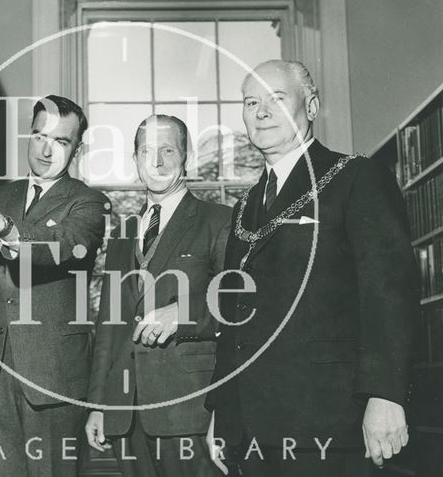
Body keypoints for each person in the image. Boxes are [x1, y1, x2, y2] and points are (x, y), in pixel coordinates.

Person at [205, 60, 419, 477]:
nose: (261, 112)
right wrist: (222, 407)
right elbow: (233, 316)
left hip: (327, 419)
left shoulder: (357, 177)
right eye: (251, 102)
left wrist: (386, 395)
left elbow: (389, 294)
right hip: (248, 426)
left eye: (277, 99)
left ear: (313, 107)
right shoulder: (246, 205)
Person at [0, 95, 110, 477]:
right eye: (40, 135)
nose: (45, 149)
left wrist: (0, 225)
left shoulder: (89, 203)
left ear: (77, 149)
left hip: (53, 379)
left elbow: (65, 245)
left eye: (60, 141)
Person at [85, 114, 232, 477]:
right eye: (147, 151)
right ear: (135, 160)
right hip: (125, 412)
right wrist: (97, 404)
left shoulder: (219, 219)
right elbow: (109, 325)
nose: (158, 162)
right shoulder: (123, 233)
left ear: (187, 156)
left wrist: (182, 313)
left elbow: (239, 300)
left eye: (168, 150)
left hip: (190, 408)